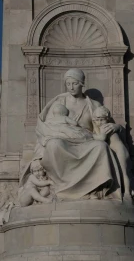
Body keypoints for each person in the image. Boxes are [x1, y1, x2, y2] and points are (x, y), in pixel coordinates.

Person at [35, 69, 122, 201]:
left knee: (101, 147)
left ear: (82, 84)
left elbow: (102, 126)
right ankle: (61, 188)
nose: (71, 87)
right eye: (68, 84)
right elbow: (48, 126)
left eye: (74, 83)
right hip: (64, 140)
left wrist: (117, 127)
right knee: (53, 144)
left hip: (86, 140)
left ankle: (92, 189)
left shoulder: (93, 105)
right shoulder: (59, 103)